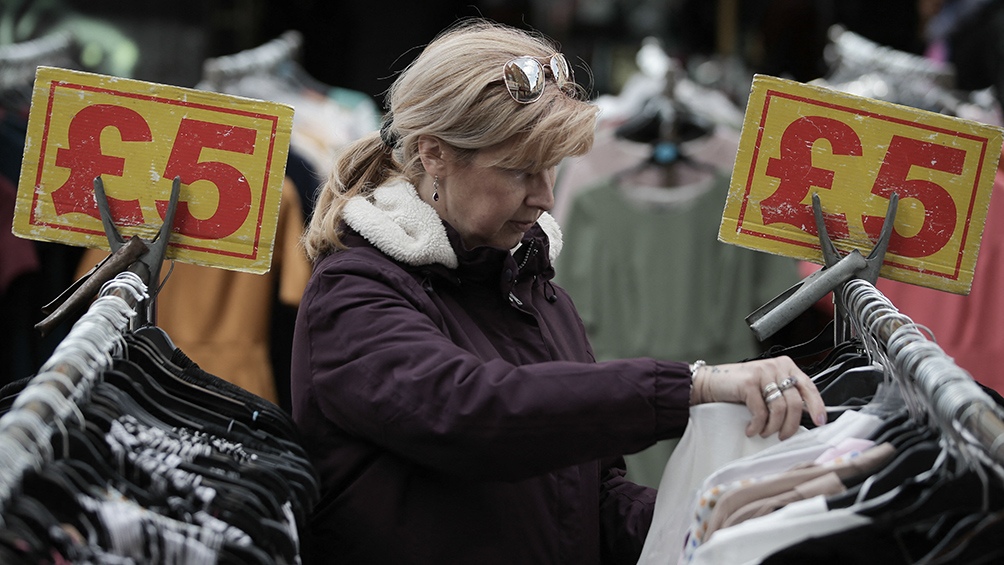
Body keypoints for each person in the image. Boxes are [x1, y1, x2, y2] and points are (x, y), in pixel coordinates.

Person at [290, 18, 827, 565]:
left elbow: (592, 497)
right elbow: (472, 412)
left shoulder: (537, 292)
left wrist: (720, 519)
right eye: (520, 172)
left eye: (551, 169)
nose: (545, 196)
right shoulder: (354, 291)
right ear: (434, 155)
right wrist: (691, 386)